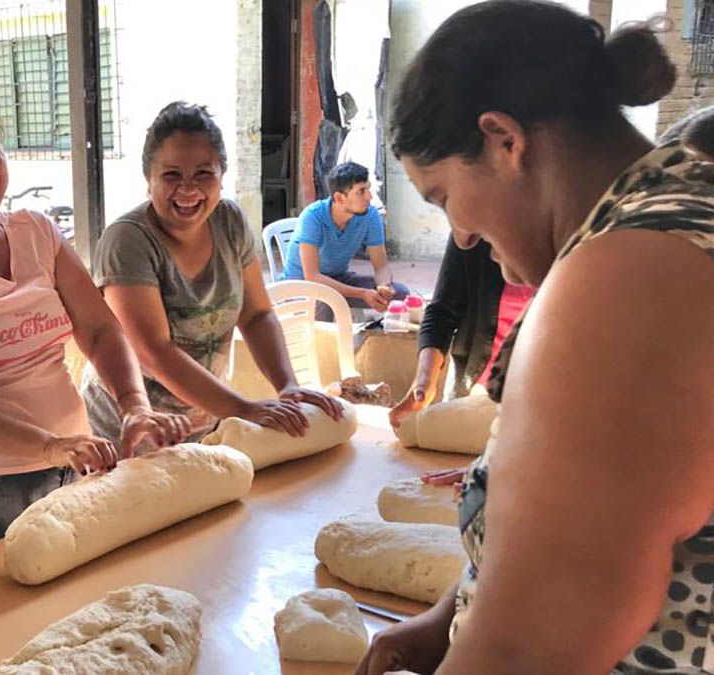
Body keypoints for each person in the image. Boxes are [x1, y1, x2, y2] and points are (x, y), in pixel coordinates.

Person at [357, 2, 714, 674]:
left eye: (440, 196)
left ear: (503, 140)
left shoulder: (633, 279)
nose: (459, 234)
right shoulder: (675, 213)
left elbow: (525, 655)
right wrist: (452, 615)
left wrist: (489, 632)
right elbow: (595, 545)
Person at [0, 92, 188, 549]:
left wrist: (134, 405)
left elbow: (101, 330)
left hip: (70, 465)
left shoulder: (36, 231)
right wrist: (48, 445)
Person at [81, 101, 343, 446]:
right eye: (171, 175)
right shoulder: (127, 241)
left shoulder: (230, 222)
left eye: (203, 174)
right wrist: (243, 408)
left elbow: (258, 315)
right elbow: (153, 351)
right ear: (149, 180)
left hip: (205, 419)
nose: (188, 190)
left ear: (221, 176)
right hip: (129, 428)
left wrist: (287, 385)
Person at [387, 237, 535, 430]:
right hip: (472, 391)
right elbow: (442, 311)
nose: (494, 255)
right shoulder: (470, 232)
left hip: (541, 407)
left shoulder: (578, 250)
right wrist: (424, 379)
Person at [280, 161, 410, 314]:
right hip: (301, 286)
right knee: (325, 301)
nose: (369, 196)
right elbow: (313, 277)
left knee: (401, 293)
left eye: (368, 188)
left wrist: (384, 286)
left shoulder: (370, 215)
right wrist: (362, 293)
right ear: (340, 198)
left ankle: (376, 337)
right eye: (361, 191)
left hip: (338, 279)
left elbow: (381, 266)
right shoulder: (313, 217)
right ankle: (325, 339)